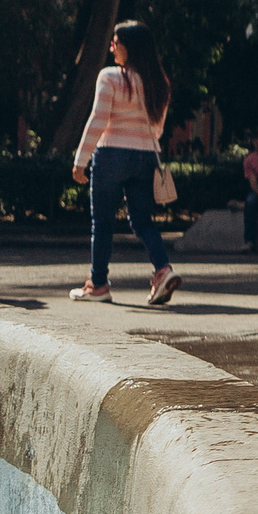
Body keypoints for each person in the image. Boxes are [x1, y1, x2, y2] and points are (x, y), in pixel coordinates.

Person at [70, 20, 180, 305]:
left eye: (115, 42)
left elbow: (98, 119)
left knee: (103, 223)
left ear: (128, 48)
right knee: (143, 221)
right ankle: (163, 269)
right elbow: (157, 128)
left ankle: (98, 285)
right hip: (145, 157)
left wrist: (80, 160)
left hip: (111, 155)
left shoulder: (110, 77)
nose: (112, 47)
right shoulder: (159, 82)